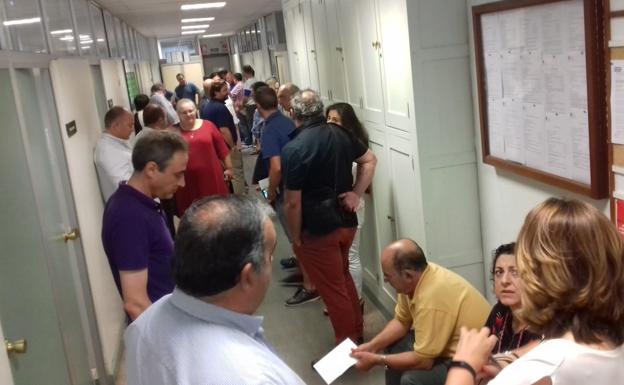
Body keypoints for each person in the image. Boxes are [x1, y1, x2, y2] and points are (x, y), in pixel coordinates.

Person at [124, 196, 306, 385]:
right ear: (248, 277)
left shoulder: (142, 325)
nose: (272, 260)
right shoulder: (253, 377)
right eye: (270, 254)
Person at [446, 198, 624, 385]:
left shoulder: (541, 369)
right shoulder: (611, 347)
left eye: (519, 270)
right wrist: (509, 363)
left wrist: (463, 366)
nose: (507, 280)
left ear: (537, 276)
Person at [282, 89, 377, 344]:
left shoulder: (295, 148)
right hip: (347, 221)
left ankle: (347, 349)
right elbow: (370, 160)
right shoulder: (342, 134)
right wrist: (356, 194)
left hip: (318, 230)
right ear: (320, 111)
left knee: (333, 291)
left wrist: (295, 237)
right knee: (343, 279)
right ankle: (356, 335)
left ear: (293, 114)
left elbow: (292, 203)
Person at [351, 239, 491, 385]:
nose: (386, 281)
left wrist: (377, 360)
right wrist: (372, 346)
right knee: (394, 345)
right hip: (444, 346)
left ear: (407, 275)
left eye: (388, 276)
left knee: (411, 380)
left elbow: (424, 361)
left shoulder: (431, 296)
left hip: (470, 357)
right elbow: (401, 321)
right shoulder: (416, 279)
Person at [101, 131, 188, 321]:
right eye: (178, 175)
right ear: (151, 170)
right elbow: (136, 303)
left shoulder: (144, 204)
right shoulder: (128, 216)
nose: (182, 183)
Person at [326, 102, 369, 310]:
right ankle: (348, 300)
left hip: (353, 208)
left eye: (335, 120)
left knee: (351, 256)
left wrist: (355, 195)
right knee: (343, 258)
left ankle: (356, 301)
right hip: (342, 210)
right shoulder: (337, 143)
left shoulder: (354, 146)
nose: (330, 124)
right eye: (328, 119)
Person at [172, 98, 233, 215]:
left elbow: (223, 150)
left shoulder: (208, 126)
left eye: (191, 111)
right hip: (187, 183)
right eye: (184, 112)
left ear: (196, 110)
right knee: (193, 215)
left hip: (212, 179)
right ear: (178, 114)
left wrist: (229, 169)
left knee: (218, 211)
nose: (188, 114)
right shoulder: (172, 132)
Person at [484, 243, 539, 366]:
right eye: (499, 272)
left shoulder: (545, 322)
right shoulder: (499, 311)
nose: (504, 281)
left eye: (515, 272)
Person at [200, 79, 246, 195]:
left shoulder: (208, 106)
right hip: (226, 149)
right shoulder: (220, 108)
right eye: (225, 90)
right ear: (216, 93)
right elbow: (224, 130)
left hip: (217, 149)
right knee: (236, 175)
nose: (228, 93)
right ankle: (242, 202)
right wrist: (233, 146)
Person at [94, 106, 135, 202]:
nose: (132, 129)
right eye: (130, 125)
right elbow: (125, 188)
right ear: (116, 126)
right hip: (129, 206)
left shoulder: (117, 141)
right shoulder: (107, 151)